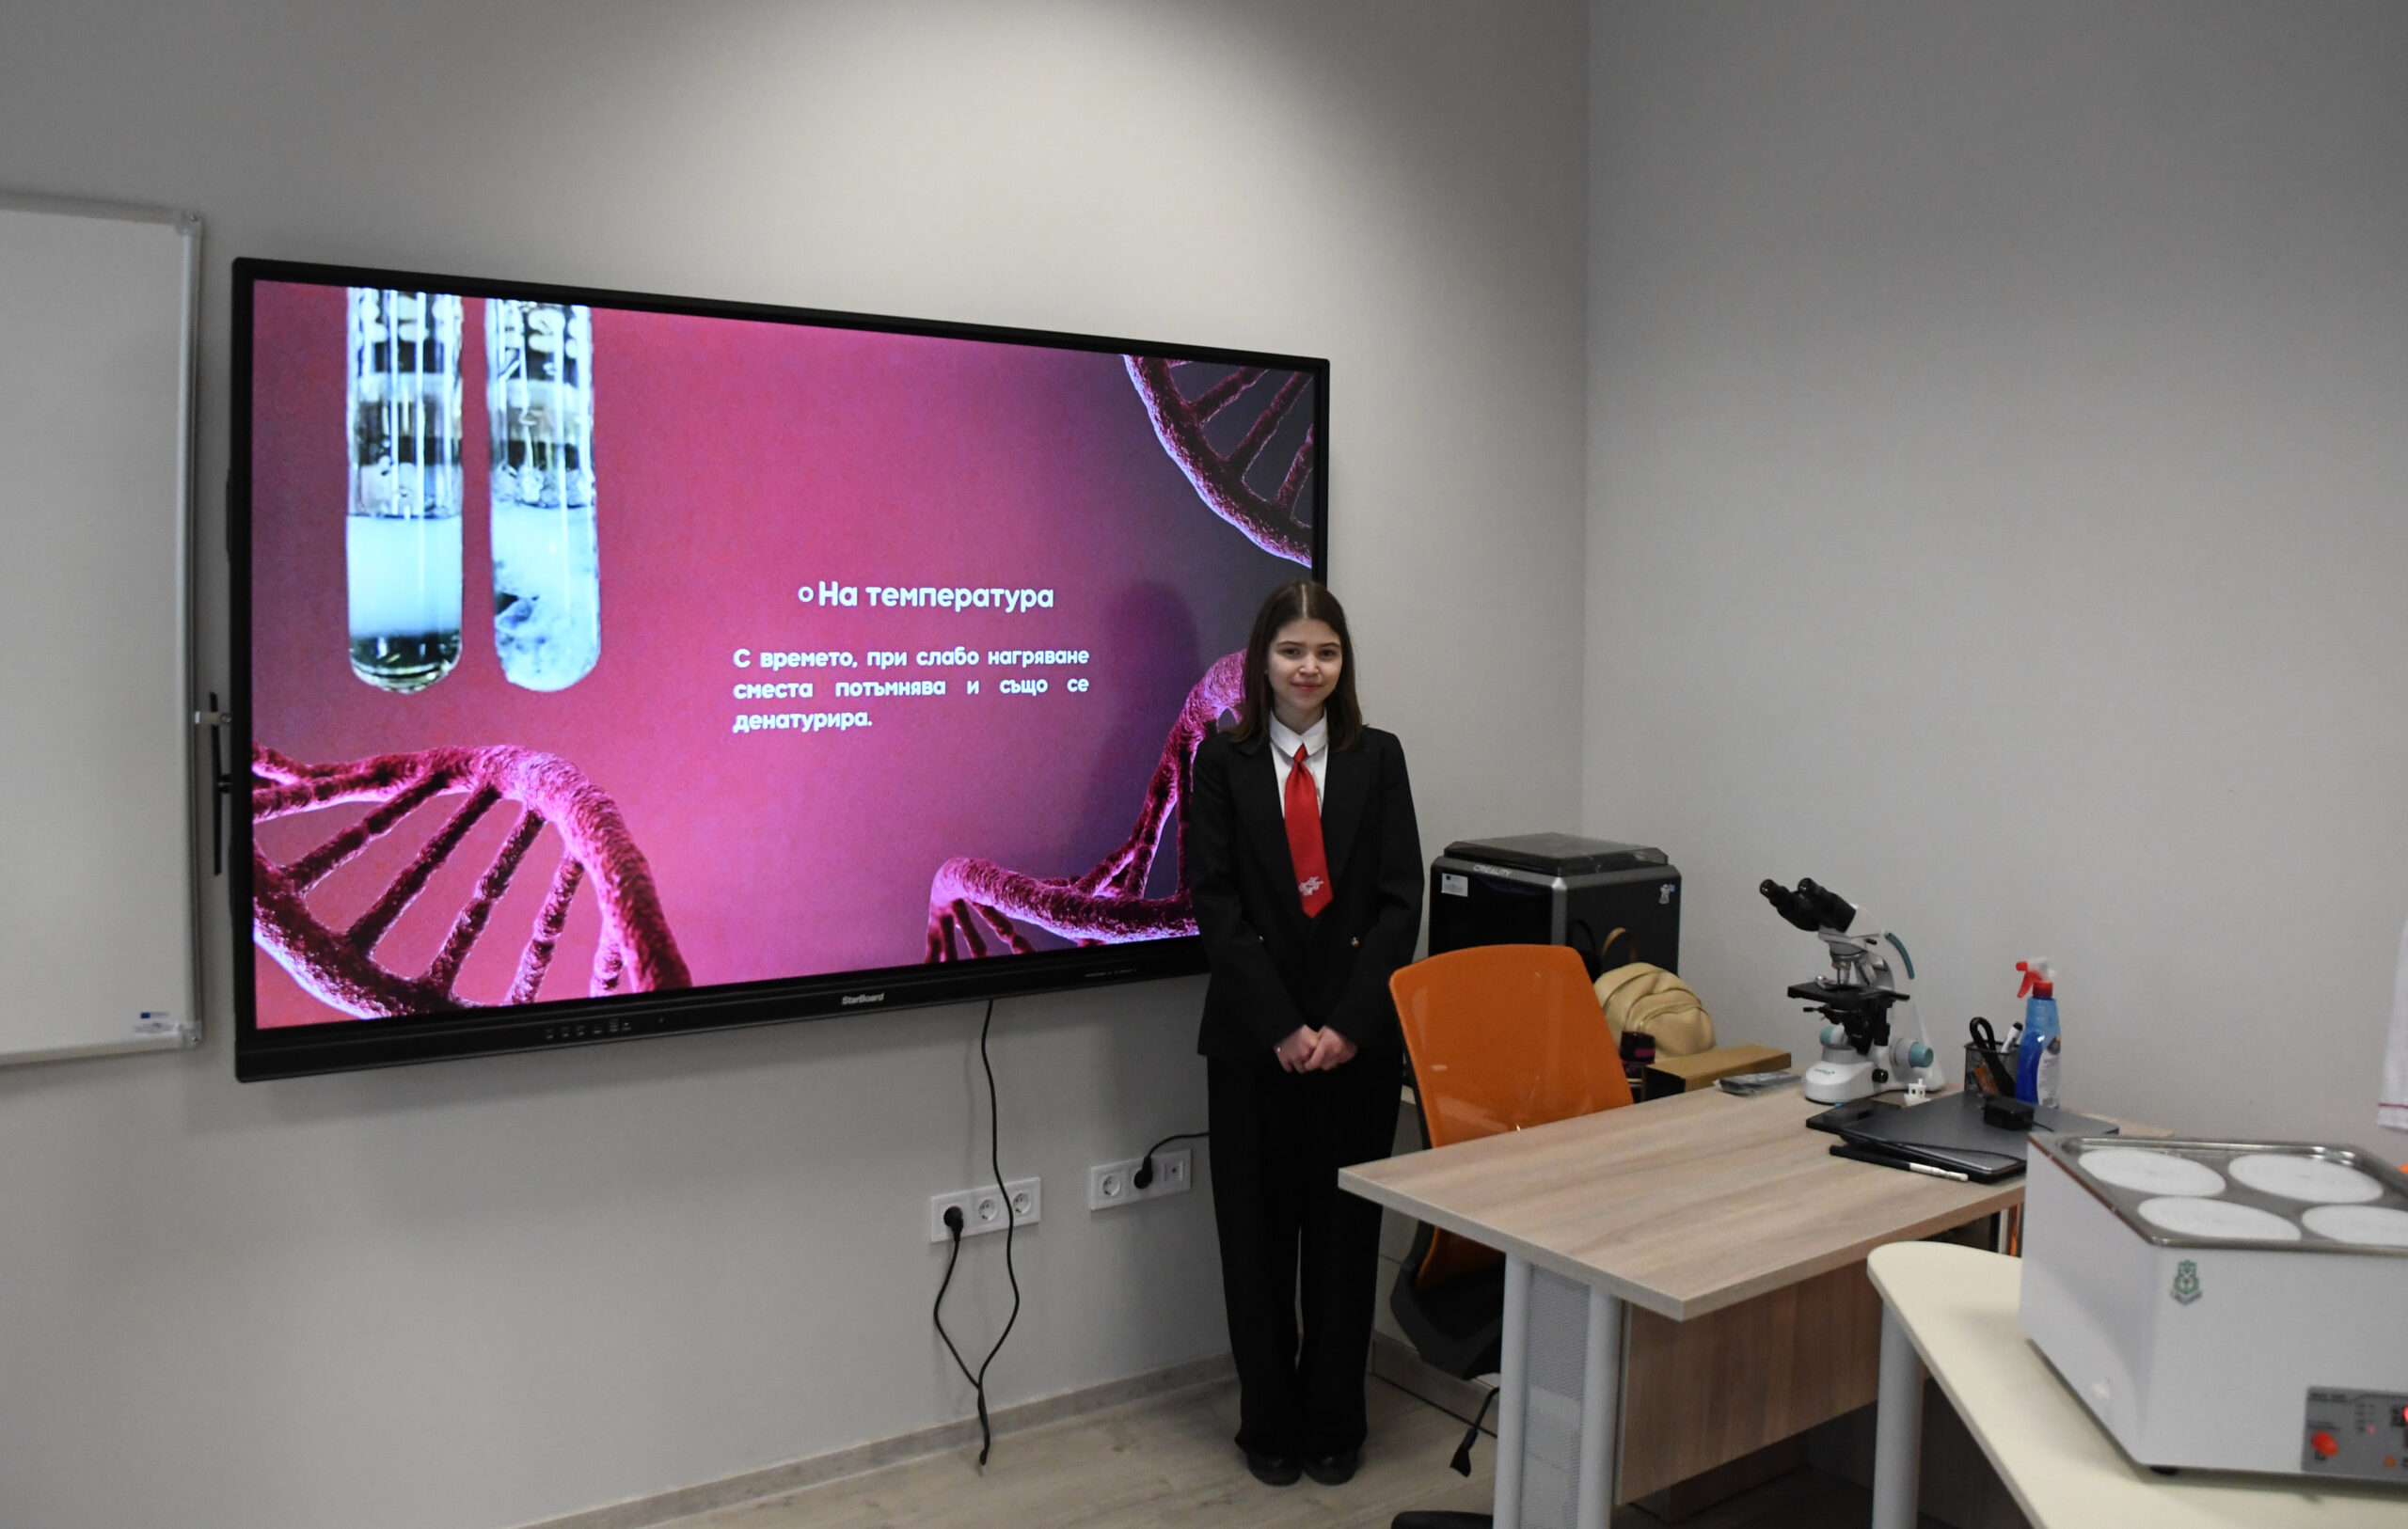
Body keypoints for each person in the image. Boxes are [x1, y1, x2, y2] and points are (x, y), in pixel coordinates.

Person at [1186, 580, 1423, 1488]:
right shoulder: (1223, 760)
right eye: (1292, 651)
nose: (1309, 668)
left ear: (1342, 663)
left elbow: (1400, 901)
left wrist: (1348, 1026)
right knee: (1253, 1244)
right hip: (1256, 1045)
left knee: (1342, 1241)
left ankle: (1335, 1423)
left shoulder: (1378, 757)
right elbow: (1215, 905)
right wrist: (1284, 1025)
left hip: (1356, 1049)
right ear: (1263, 661)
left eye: (1326, 651)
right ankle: (1268, 1425)